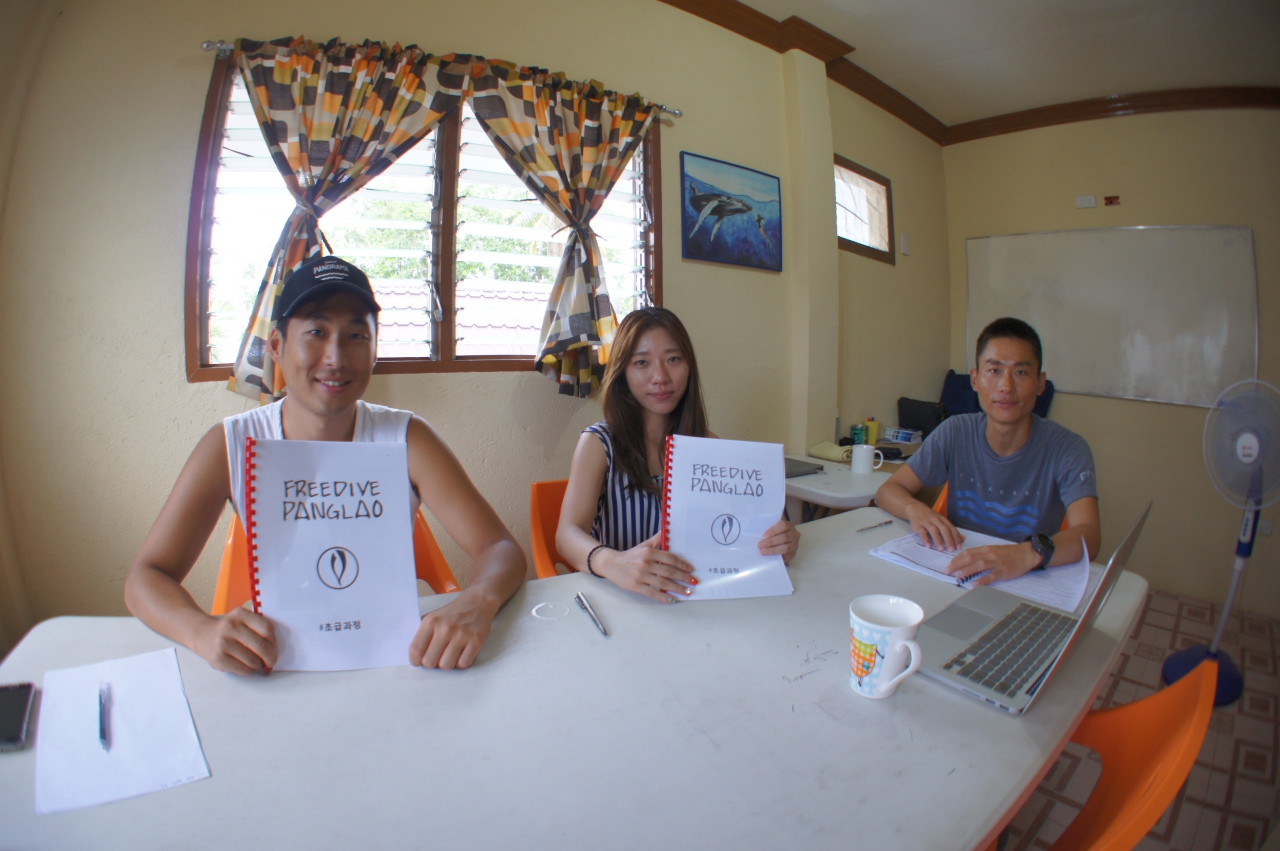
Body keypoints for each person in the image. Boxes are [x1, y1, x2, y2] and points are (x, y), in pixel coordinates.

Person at [125, 256, 525, 674]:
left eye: (356, 336)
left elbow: (500, 548)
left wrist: (476, 602)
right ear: (276, 346)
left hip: (392, 661)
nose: (335, 358)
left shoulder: (407, 438)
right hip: (277, 663)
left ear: (374, 351)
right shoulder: (232, 444)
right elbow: (145, 578)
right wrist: (201, 632)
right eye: (316, 332)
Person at [556, 307, 800, 602]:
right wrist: (612, 562)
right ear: (623, 373)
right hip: (623, 603)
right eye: (642, 362)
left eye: (673, 359)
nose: (660, 377)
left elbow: (744, 533)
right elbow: (567, 534)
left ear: (689, 367)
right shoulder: (598, 443)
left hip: (692, 601)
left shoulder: (709, 445)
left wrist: (779, 543)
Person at [874, 317, 1100, 585]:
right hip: (956, 573)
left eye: (1021, 372)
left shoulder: (1068, 449)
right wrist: (915, 509)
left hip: (1026, 578)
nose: (1006, 386)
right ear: (975, 379)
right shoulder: (955, 431)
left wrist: (1028, 554)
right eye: (994, 370)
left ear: (1040, 383)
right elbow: (888, 491)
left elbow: (1089, 535)